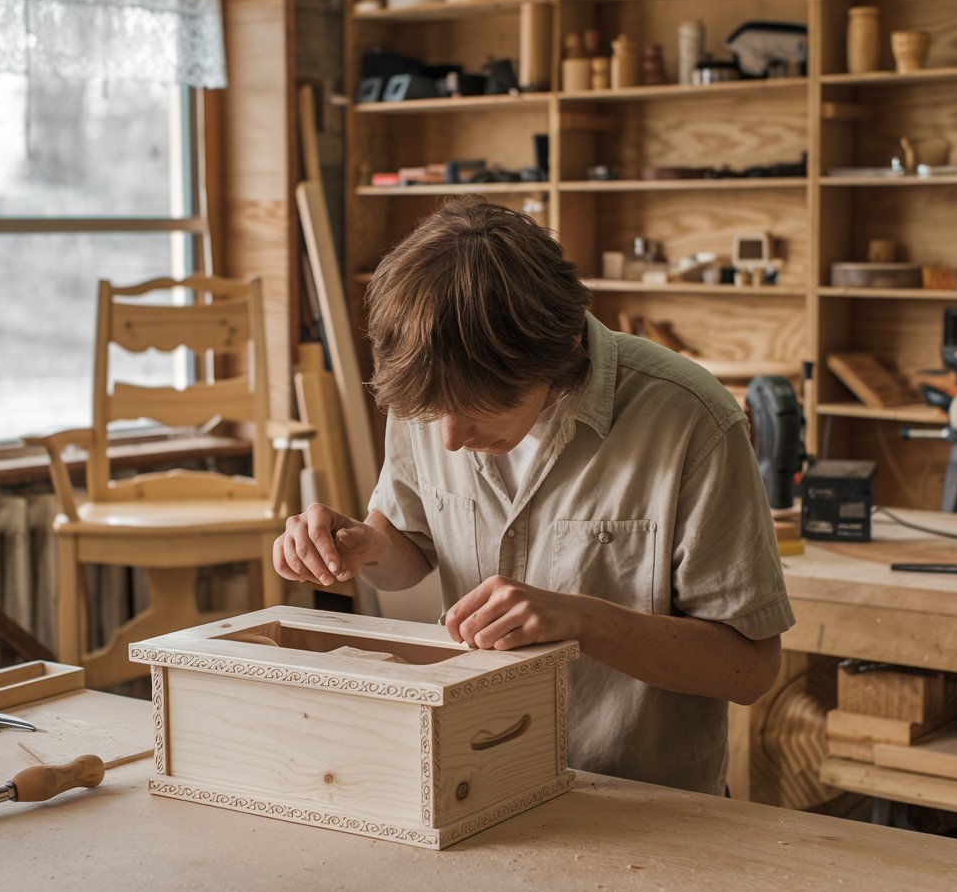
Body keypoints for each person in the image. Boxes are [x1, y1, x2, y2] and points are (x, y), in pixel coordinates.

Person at [274, 195, 795, 795]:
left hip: (642, 805)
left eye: (479, 410)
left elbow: (752, 670)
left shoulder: (691, 421)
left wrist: (582, 620)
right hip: (474, 783)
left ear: (563, 345)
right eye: (432, 413)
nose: (448, 439)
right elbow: (408, 554)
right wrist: (363, 546)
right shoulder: (434, 388)